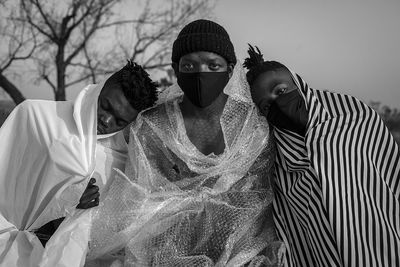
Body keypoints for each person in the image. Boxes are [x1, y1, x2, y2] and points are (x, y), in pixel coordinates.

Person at [39, 20, 285, 267]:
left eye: (213, 65)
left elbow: (257, 201)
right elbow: (139, 203)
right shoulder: (152, 126)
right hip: (163, 254)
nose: (201, 73)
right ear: (176, 70)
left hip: (242, 253)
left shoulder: (254, 126)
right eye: (189, 65)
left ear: (230, 70)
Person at [243, 44, 400, 266]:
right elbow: (289, 223)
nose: (278, 103)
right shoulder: (277, 161)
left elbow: (389, 177)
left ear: (298, 84)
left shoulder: (356, 120)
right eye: (267, 105)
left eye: (281, 91)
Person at [0, 60, 158, 267]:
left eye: (120, 121)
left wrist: (76, 209)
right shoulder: (36, 116)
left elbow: (98, 234)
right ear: (99, 89)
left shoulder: (120, 162)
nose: (107, 121)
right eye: (106, 106)